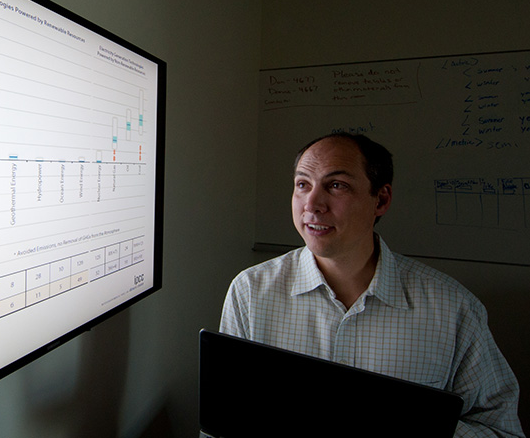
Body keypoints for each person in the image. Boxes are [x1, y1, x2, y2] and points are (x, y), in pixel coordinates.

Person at [220, 132, 524, 437]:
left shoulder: (453, 309)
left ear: (381, 199)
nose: (311, 204)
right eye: (303, 185)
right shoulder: (251, 292)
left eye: (336, 185)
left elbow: (500, 428)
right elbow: (222, 421)